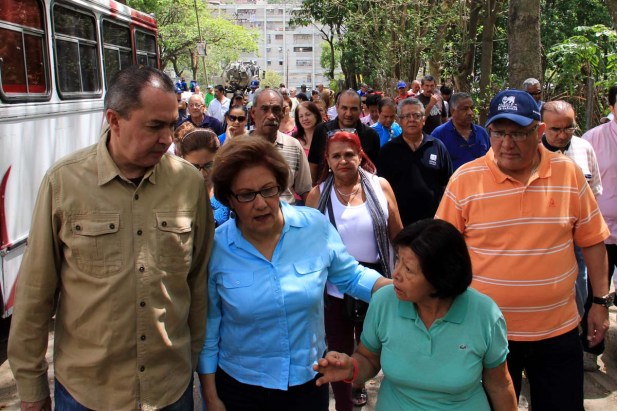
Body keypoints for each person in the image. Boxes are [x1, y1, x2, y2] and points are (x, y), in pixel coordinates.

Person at [8, 65, 214, 410]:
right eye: (154, 126)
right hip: (87, 393)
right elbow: (34, 293)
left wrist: (191, 358)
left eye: (170, 124)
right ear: (114, 120)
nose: (167, 138)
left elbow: (197, 282)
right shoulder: (64, 182)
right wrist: (31, 388)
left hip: (170, 389)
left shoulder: (189, 183)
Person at [436, 89, 610, 410]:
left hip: (558, 331)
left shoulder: (568, 174)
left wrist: (599, 301)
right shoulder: (465, 179)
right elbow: (441, 252)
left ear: (539, 131)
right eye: (499, 132)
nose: (507, 143)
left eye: (518, 133)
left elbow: (593, 242)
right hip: (486, 337)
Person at [197, 136, 391, 411]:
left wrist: (403, 289)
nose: (261, 203)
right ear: (229, 199)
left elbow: (352, 277)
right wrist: (211, 397)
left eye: (269, 190)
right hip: (241, 389)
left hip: (308, 383)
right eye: (246, 195)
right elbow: (209, 329)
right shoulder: (217, 248)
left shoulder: (314, 226)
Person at [314, 219, 518, 411]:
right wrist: (352, 367)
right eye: (398, 261)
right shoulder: (385, 301)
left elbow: (499, 384)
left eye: (408, 269)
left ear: (441, 277)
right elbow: (369, 358)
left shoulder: (483, 314)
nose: (396, 273)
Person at [306, 131, 402, 411]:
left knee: (375, 344)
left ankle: (367, 388)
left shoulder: (379, 186)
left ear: (360, 155)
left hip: (376, 281)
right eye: (336, 155)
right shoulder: (317, 195)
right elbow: (309, 246)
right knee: (338, 347)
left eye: (349, 154)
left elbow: (397, 234)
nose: (343, 160)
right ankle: (345, 404)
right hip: (334, 285)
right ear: (328, 160)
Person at [540, 101, 602, 338]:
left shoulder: (584, 148)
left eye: (569, 128)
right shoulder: (530, 153)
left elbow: (595, 188)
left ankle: (576, 332)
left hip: (578, 235)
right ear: (542, 127)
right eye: (555, 129)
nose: (562, 135)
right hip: (545, 238)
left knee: (581, 284)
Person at [581, 84, 617, 371]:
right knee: (595, 291)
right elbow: (586, 187)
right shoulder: (592, 140)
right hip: (601, 232)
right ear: (612, 106)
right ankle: (592, 347)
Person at [378, 98, 452, 227]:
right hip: (401, 225)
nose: (411, 119)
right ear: (399, 121)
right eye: (406, 116)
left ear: (423, 119)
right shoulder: (387, 151)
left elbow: (447, 185)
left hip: (433, 223)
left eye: (416, 115)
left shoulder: (437, 146)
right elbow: (382, 191)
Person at [250, 88, 312, 204]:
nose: (271, 116)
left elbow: (306, 191)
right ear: (253, 113)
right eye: (264, 109)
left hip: (287, 218)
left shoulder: (294, 146)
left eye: (276, 110)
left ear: (283, 113)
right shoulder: (239, 147)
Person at [309, 90, 381, 183]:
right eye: (344, 108)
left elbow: (374, 169)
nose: (348, 114)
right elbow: (313, 164)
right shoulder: (321, 130)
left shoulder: (371, 136)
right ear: (337, 107)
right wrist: (316, 189)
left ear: (360, 109)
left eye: (353, 109)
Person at [177, 128, 229, 228]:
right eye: (194, 166)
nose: (202, 173)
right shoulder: (175, 193)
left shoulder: (228, 188)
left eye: (208, 165)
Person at [431, 92, 490, 170]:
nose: (470, 113)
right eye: (465, 109)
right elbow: (432, 167)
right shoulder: (439, 134)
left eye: (471, 108)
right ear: (452, 111)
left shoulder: (482, 133)